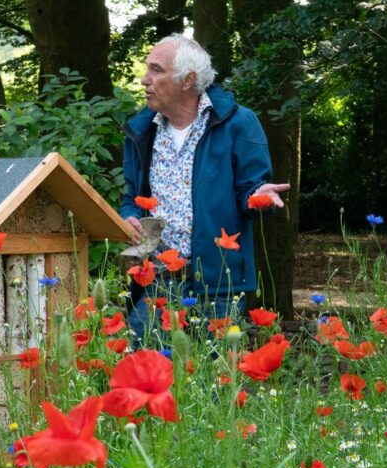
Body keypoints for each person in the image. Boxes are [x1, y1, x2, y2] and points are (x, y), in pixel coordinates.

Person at [119, 33, 289, 339]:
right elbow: (132, 197)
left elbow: (250, 191)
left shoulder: (238, 124)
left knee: (212, 383)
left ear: (188, 80)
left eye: (156, 70)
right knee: (142, 378)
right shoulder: (141, 130)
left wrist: (259, 197)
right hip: (155, 281)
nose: (145, 79)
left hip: (218, 287)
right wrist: (127, 216)